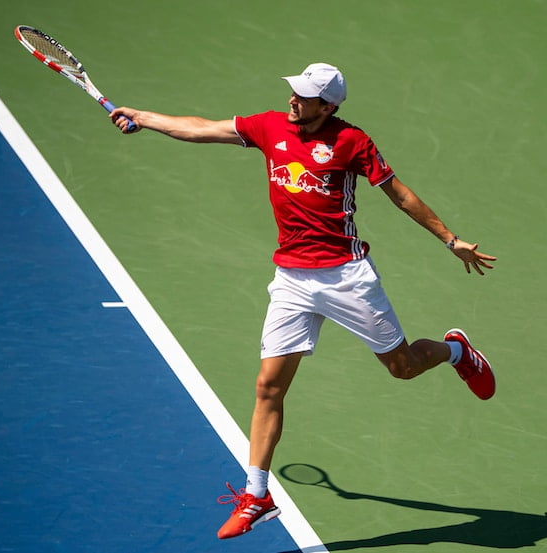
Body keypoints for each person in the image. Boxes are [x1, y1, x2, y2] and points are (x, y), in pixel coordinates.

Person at [109, 62, 497, 540]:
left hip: (346, 278)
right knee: (268, 387)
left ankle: (456, 349)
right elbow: (204, 128)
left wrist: (450, 239)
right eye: (294, 92)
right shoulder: (271, 125)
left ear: (328, 106)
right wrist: (146, 117)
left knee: (403, 367)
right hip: (292, 278)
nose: (294, 100)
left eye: (305, 96)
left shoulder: (352, 141)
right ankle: (256, 496)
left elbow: (399, 194)